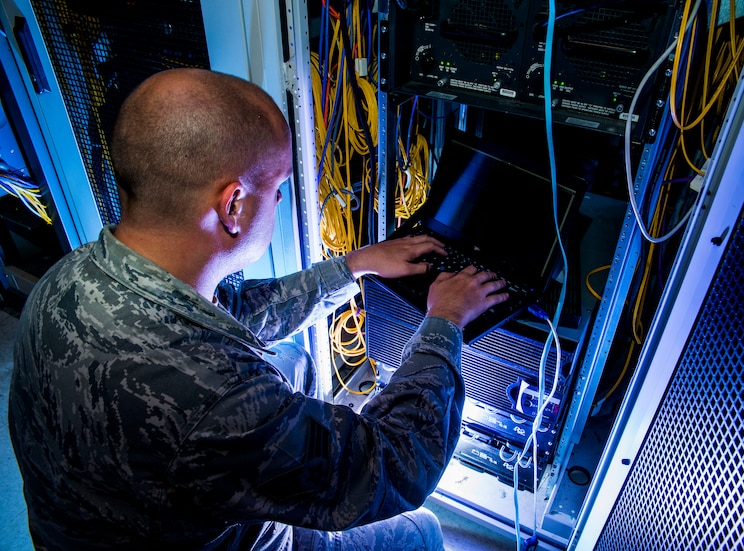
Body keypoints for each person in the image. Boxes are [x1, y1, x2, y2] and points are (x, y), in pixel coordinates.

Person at [8, 68, 508, 550]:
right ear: (233, 205)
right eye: (278, 188)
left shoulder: (72, 275)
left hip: (96, 522)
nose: (281, 198)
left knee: (299, 366)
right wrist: (445, 321)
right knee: (418, 527)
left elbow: (227, 314)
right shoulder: (215, 398)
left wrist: (354, 266)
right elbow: (395, 465)